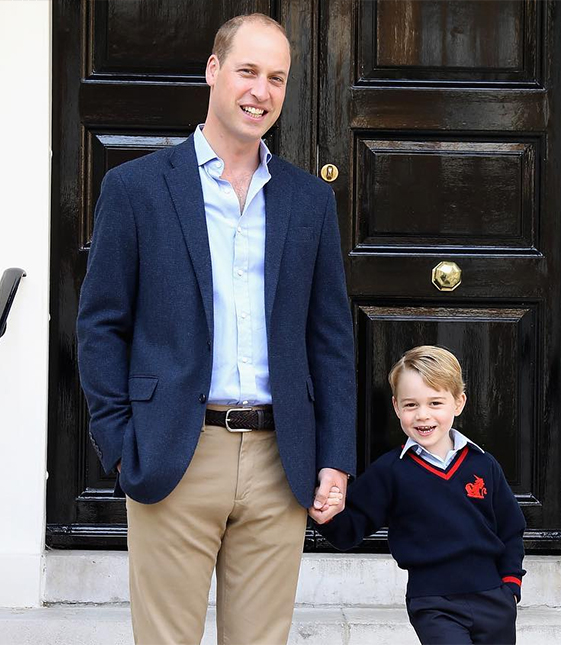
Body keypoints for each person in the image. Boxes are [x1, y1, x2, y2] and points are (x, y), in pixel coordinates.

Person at [76, 13, 355, 645]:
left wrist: (335, 457)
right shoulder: (137, 188)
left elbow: (330, 339)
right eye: (248, 71)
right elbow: (100, 325)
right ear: (214, 71)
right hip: (175, 449)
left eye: (277, 78)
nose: (261, 91)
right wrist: (120, 444)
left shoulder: (308, 200)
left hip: (279, 459)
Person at [311, 346, 525, 645]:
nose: (423, 415)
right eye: (411, 405)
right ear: (397, 407)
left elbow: (511, 529)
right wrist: (325, 514)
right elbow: (349, 530)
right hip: (433, 603)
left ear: (458, 403)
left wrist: (510, 586)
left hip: (493, 600)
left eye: (435, 402)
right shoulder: (390, 471)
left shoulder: (483, 464)